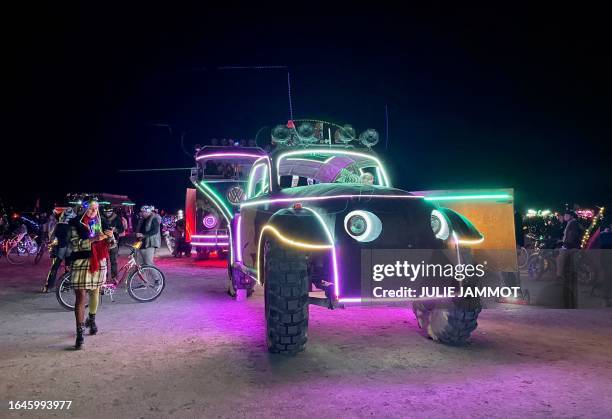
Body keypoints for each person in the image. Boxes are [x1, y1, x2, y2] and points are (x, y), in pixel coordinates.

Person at [68, 200, 113, 349]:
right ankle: (80, 333)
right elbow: (74, 244)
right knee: (80, 296)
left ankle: (91, 320)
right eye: (91, 208)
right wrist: (93, 239)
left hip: (99, 261)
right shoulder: (75, 223)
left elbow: (111, 244)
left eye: (96, 208)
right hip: (81, 261)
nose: (93, 210)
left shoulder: (103, 222)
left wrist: (110, 237)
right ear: (84, 208)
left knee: (95, 292)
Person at [42, 208, 76, 293]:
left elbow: (54, 236)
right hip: (68, 249)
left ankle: (49, 286)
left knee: (55, 267)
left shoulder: (59, 224)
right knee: (68, 268)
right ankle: (66, 286)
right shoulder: (73, 224)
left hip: (61, 248)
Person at [557, 210, 584, 308]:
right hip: (570, 248)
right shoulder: (570, 223)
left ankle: (569, 300)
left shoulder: (573, 224)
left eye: (566, 215)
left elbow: (572, 237)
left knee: (567, 272)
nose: (564, 216)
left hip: (570, 249)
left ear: (571, 216)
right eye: (564, 214)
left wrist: (565, 246)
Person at [101, 206, 124, 280]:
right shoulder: (100, 218)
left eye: (109, 212)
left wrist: (115, 230)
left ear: (112, 211)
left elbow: (122, 229)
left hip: (113, 242)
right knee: (104, 261)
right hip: (103, 242)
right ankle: (104, 277)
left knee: (113, 261)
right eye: (106, 212)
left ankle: (114, 277)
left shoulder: (117, 218)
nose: (107, 213)